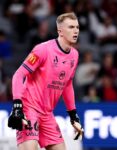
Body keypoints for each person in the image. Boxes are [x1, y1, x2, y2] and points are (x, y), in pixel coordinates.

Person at [8, 12, 84, 150]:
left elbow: (67, 85)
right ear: (60, 31)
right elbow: (19, 75)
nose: (76, 31)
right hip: (29, 108)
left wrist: (73, 116)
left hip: (47, 113)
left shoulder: (74, 55)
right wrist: (17, 106)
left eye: (77, 27)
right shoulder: (43, 50)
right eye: (71, 27)